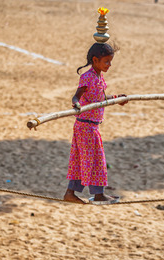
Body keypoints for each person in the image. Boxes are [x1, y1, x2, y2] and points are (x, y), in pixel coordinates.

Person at [63, 42, 127, 204]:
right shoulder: (87, 77)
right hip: (85, 126)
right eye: (106, 61)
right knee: (94, 160)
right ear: (95, 60)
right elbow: (76, 96)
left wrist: (116, 99)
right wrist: (76, 104)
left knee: (83, 160)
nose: (109, 65)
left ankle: (74, 193)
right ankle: (96, 194)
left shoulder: (99, 77)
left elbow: (99, 100)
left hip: (91, 126)